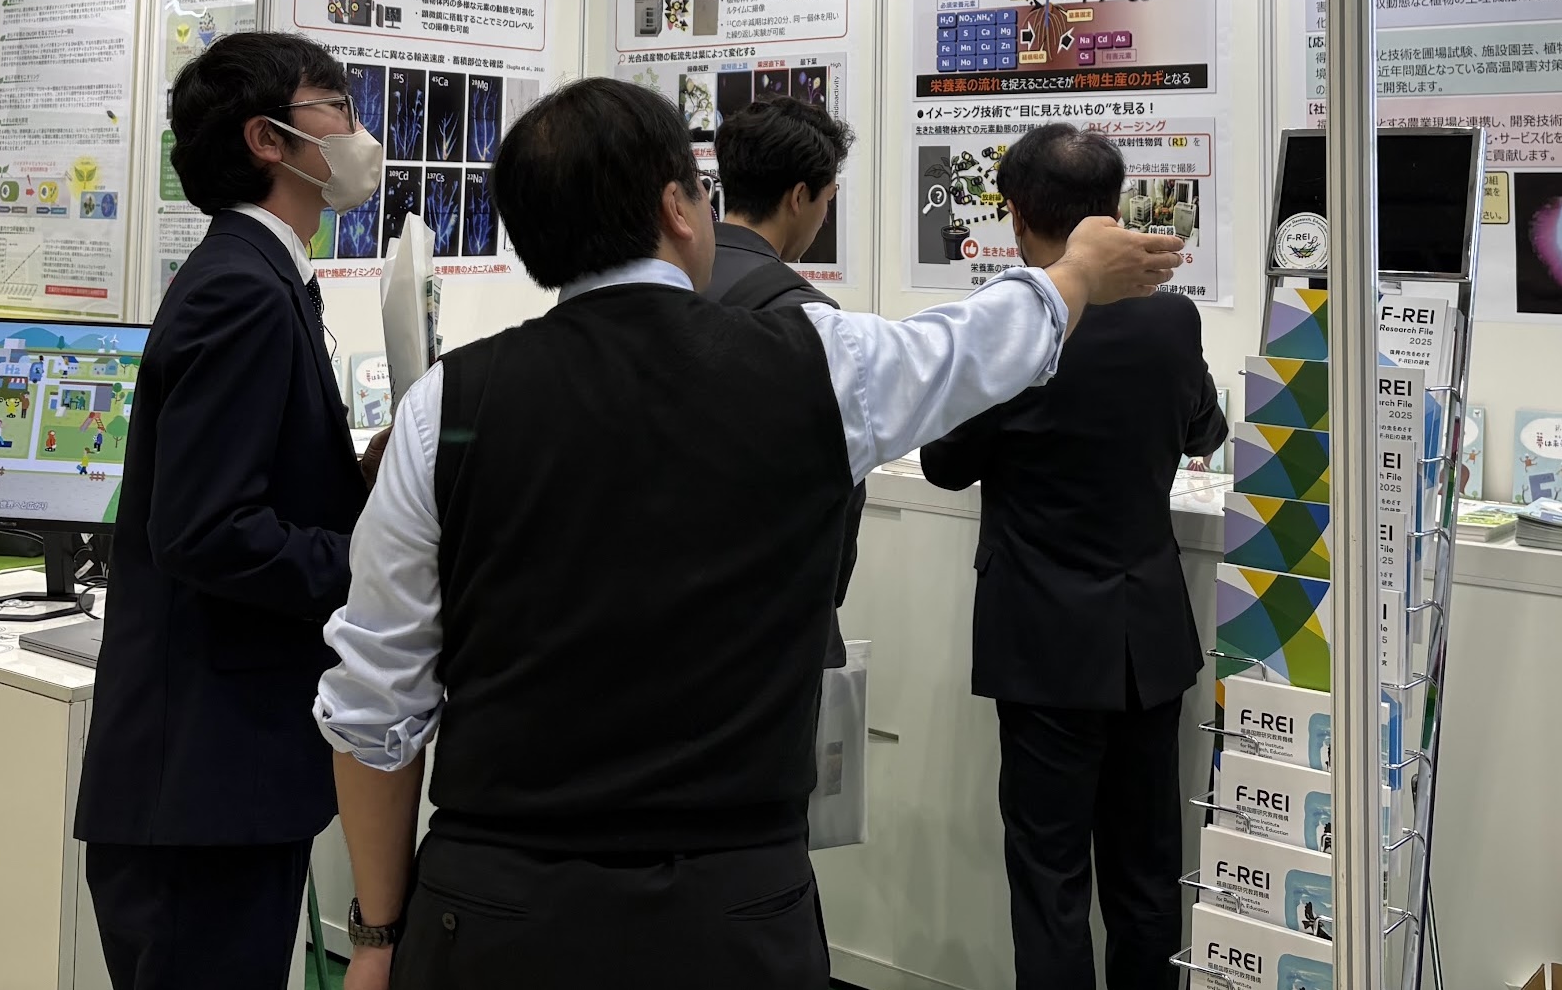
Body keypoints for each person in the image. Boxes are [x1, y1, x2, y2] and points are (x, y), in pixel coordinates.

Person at [316, 78, 1183, 990]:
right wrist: (1074, 274)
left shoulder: (444, 406)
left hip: (493, 909)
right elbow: (969, 346)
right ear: (676, 208)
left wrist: (376, 936)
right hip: (733, 908)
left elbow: (374, 708)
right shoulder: (820, 365)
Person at [74, 33, 377, 990]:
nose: (358, 132)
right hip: (204, 783)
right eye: (338, 108)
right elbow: (206, 530)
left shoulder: (259, 274)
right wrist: (375, 568)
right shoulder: (243, 288)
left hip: (221, 775)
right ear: (269, 139)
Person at [920, 124, 1227, 990]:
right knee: (1146, 872)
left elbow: (944, 463)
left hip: (1042, 641)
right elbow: (1205, 429)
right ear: (1111, 211)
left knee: (1050, 879)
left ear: (1016, 216)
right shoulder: (1170, 317)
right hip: (1145, 641)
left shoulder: (1010, 324)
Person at [702, 96, 861, 668]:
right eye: (826, 200)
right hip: (770, 626)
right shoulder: (805, 317)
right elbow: (840, 485)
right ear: (799, 197)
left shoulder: (662, 282)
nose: (823, 218)